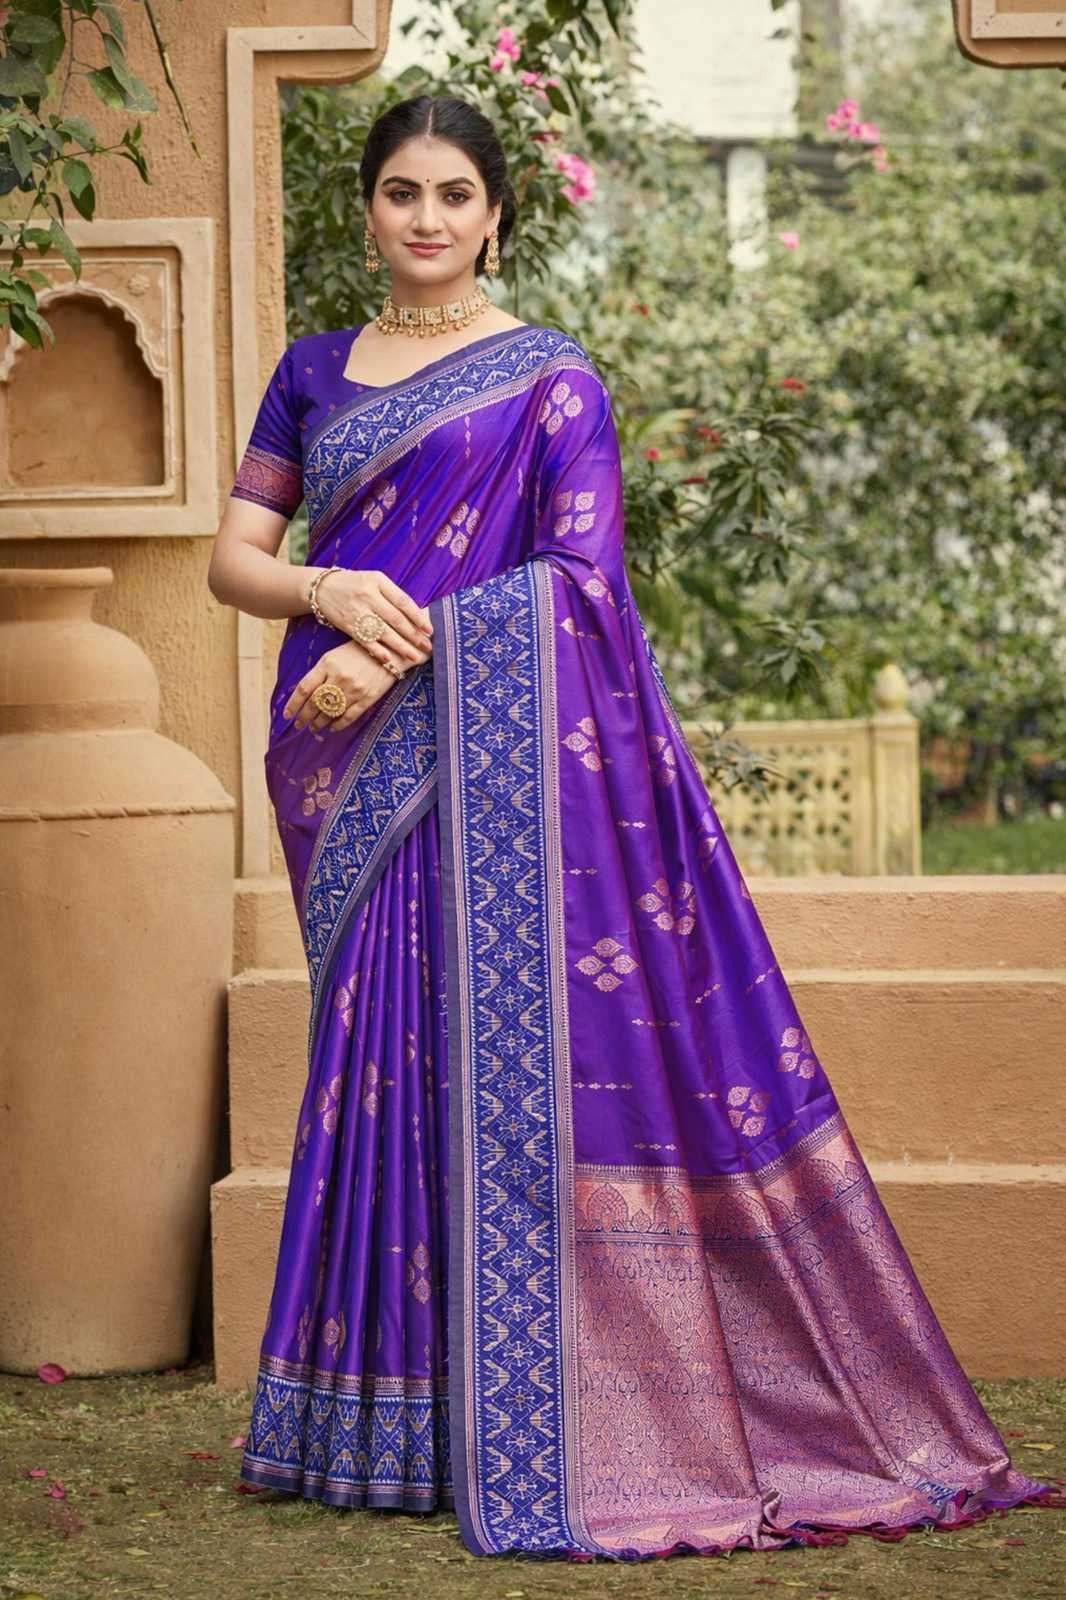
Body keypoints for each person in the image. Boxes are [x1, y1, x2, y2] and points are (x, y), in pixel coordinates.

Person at [207, 93, 1058, 1562]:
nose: (426, 218)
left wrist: (404, 649)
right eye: (402, 191)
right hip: (343, 760)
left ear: (496, 217)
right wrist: (324, 592)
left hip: (468, 752)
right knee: (379, 1051)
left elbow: (581, 586)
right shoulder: (310, 374)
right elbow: (235, 558)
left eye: (455, 194)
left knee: (482, 1058)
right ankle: (372, 1421)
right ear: (367, 208)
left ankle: (512, 1416)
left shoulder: (552, 384)